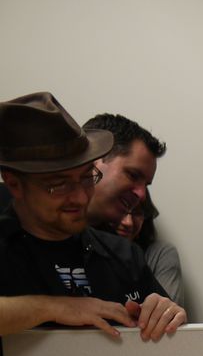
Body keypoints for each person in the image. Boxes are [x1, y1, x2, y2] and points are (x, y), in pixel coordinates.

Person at [0, 91, 185, 338]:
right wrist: (51, 308)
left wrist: (168, 315)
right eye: (59, 184)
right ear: (14, 184)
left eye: (87, 177)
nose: (80, 197)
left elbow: (173, 345)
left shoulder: (124, 255)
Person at [82, 112, 165, 230]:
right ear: (91, 159)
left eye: (145, 185)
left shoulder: (119, 247)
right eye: (133, 175)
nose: (142, 195)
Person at [116, 193, 183, 306]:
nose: (128, 222)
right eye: (121, 210)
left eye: (137, 213)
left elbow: (168, 314)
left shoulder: (159, 253)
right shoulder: (85, 249)